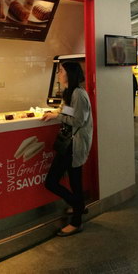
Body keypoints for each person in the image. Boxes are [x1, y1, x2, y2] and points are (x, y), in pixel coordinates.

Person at [42, 61, 92, 237]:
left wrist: (56, 116)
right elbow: (70, 113)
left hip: (74, 144)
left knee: (51, 182)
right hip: (70, 143)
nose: (59, 74)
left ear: (69, 73)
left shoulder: (78, 94)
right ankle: (78, 209)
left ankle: (77, 214)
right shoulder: (70, 92)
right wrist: (58, 112)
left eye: (61, 71)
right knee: (75, 182)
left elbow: (78, 120)